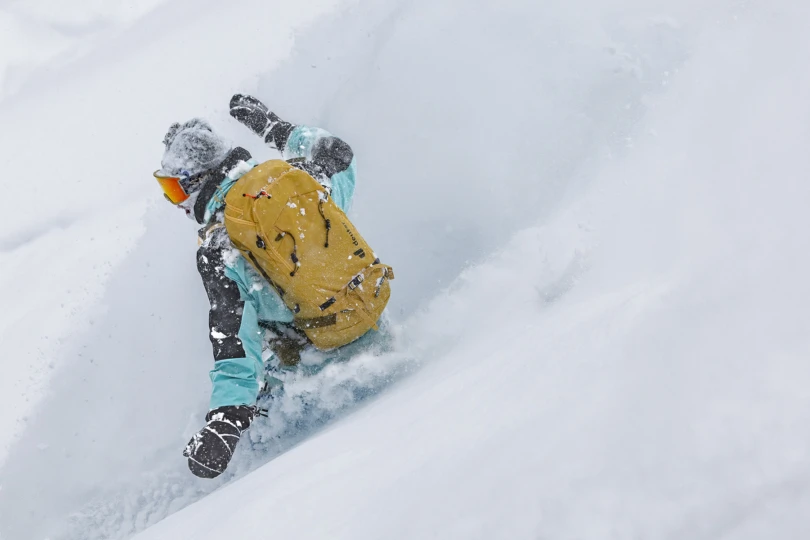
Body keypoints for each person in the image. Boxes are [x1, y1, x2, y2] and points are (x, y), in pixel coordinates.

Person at [155, 95, 393, 479]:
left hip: (313, 382)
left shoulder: (222, 247)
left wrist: (226, 421)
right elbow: (339, 156)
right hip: (376, 333)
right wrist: (274, 128)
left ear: (199, 182)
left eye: (175, 190)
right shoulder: (296, 184)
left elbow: (233, 339)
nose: (178, 205)